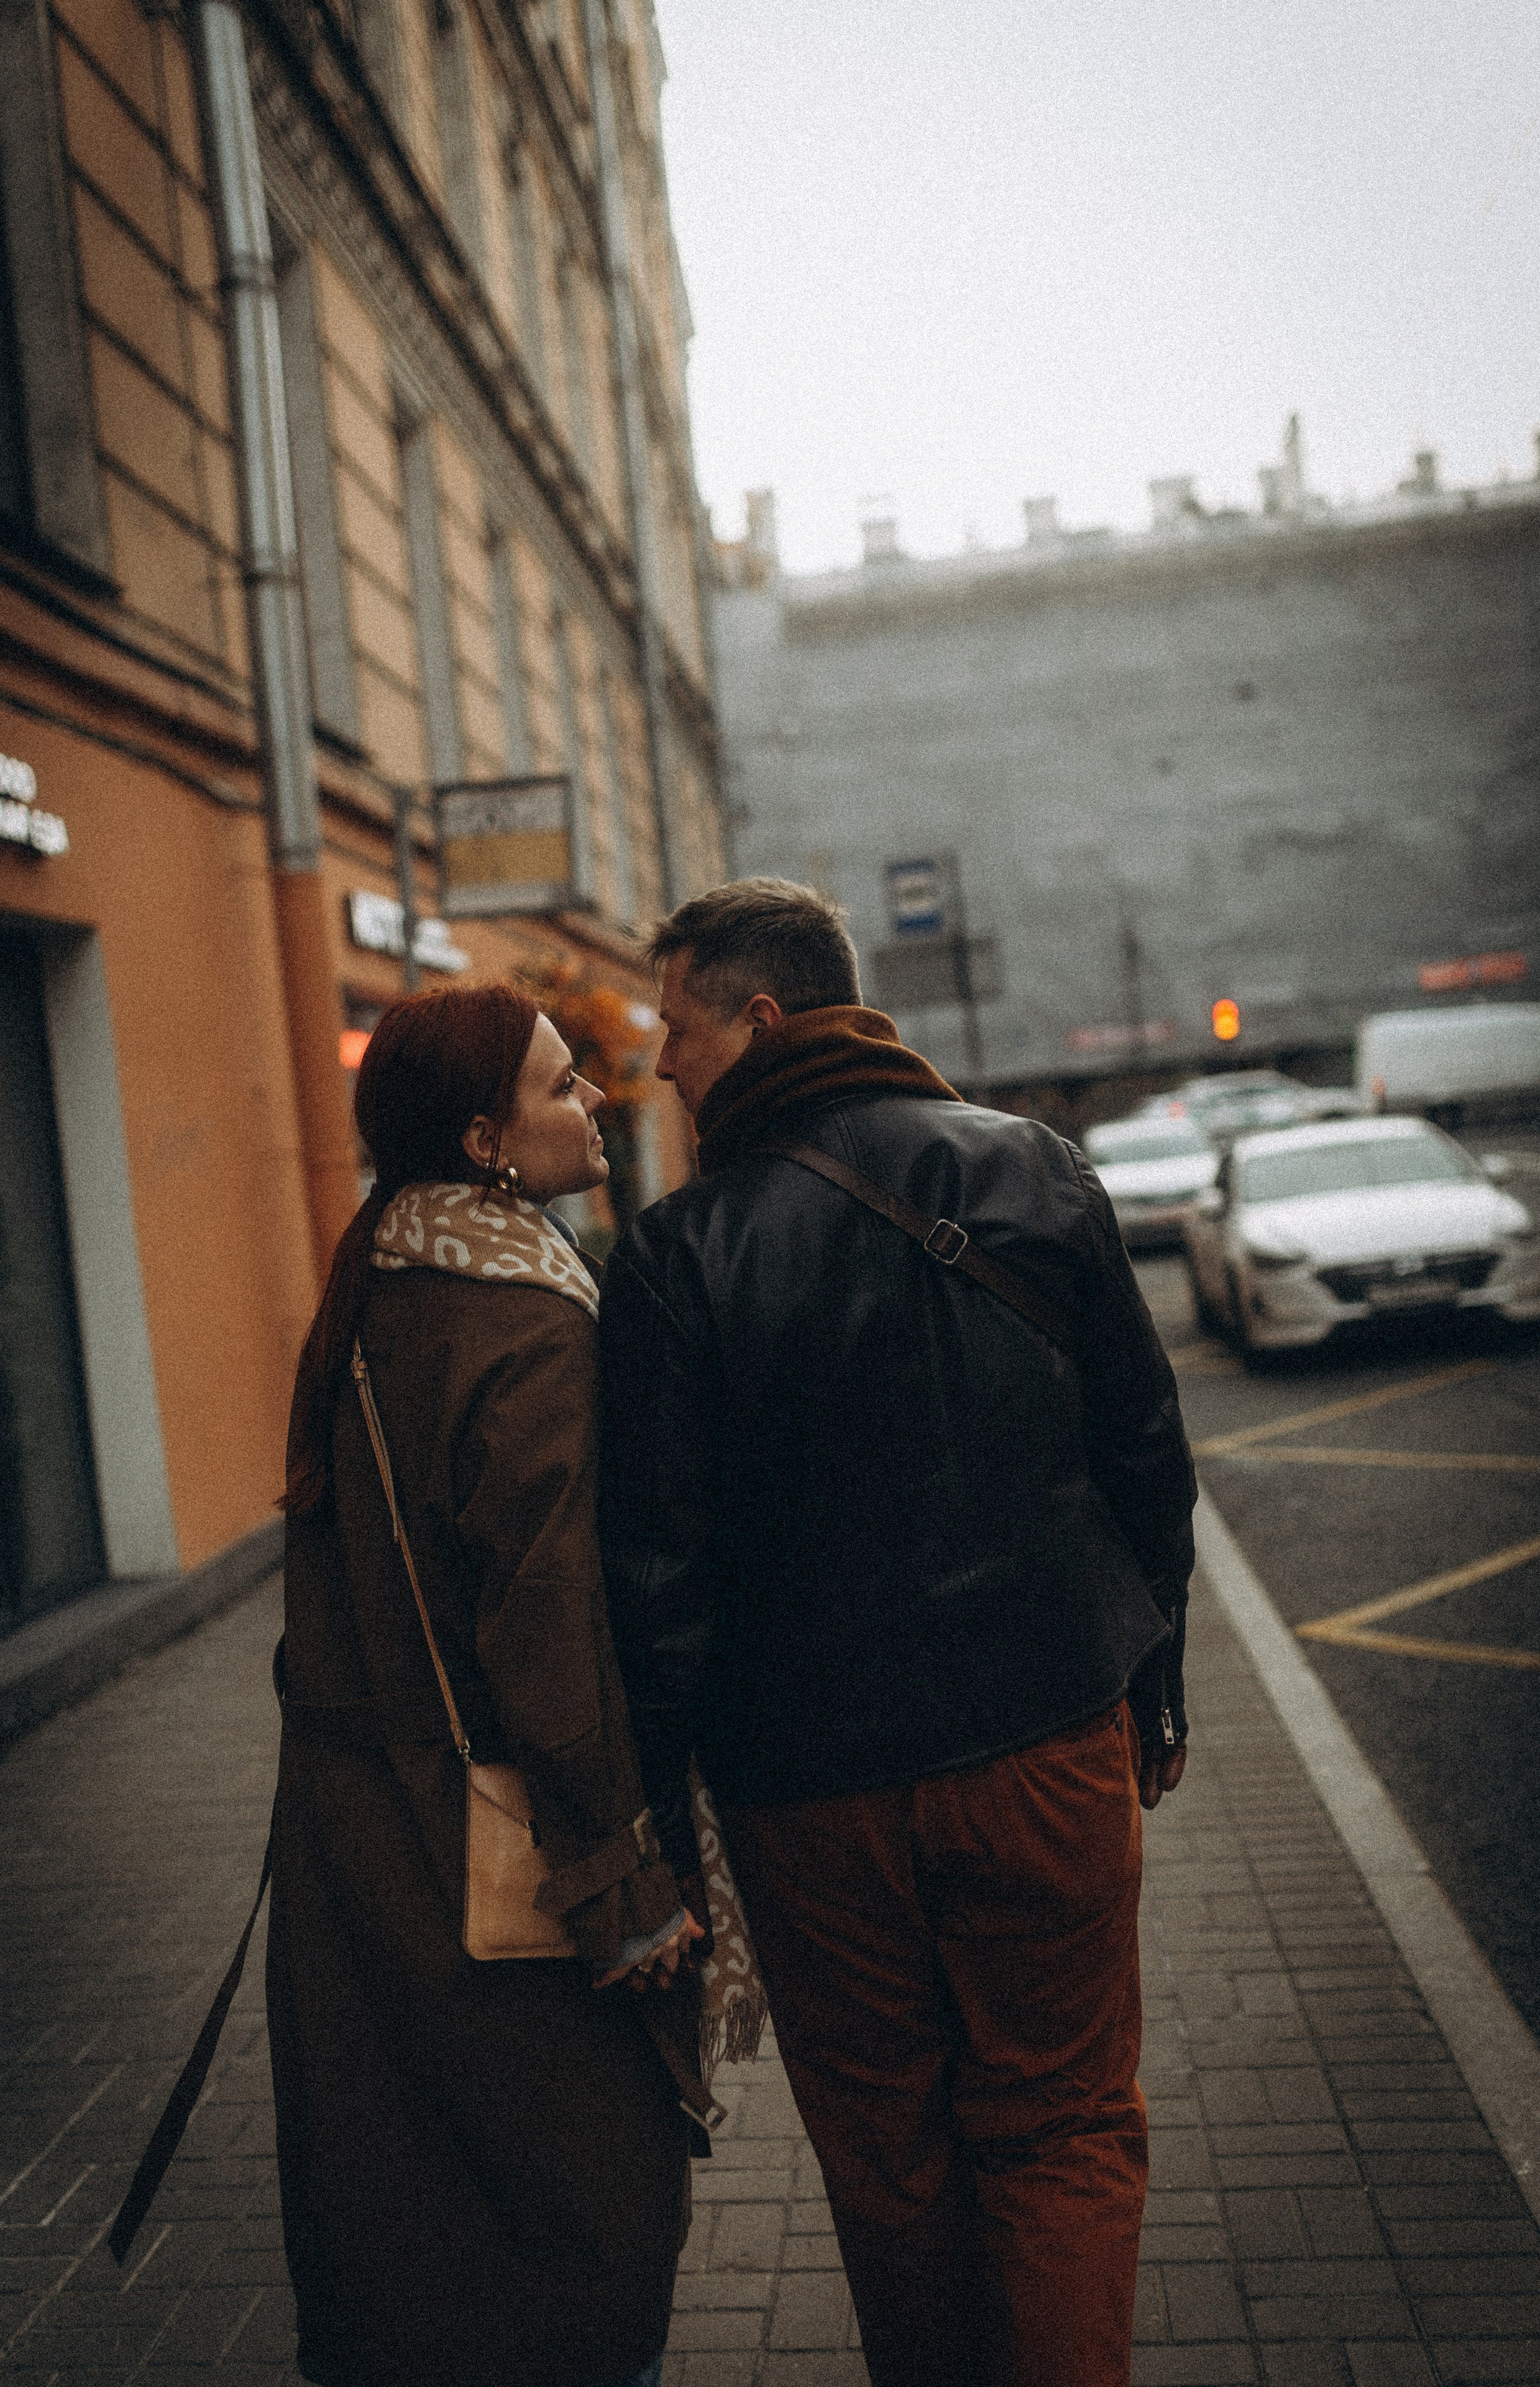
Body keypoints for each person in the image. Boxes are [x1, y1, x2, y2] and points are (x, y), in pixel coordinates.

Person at [597, 880, 1198, 2387]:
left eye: (675, 1029)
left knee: (887, 2148)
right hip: (1047, 1737)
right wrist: (1154, 1679)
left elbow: (656, 1580)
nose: (658, 1062)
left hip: (810, 1797)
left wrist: (661, 1828)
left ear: (761, 1020)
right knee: (1061, 2121)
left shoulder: (675, 1254)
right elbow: (1141, 1450)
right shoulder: (1033, 1167)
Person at [269, 982, 704, 2387]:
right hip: (504, 1844)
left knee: (406, 2226)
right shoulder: (524, 1322)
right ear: (484, 1140)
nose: (594, 1102)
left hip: (352, 1842)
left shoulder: (375, 1287)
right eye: (562, 1085)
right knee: (583, 2217)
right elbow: (548, 1633)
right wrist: (625, 1893)